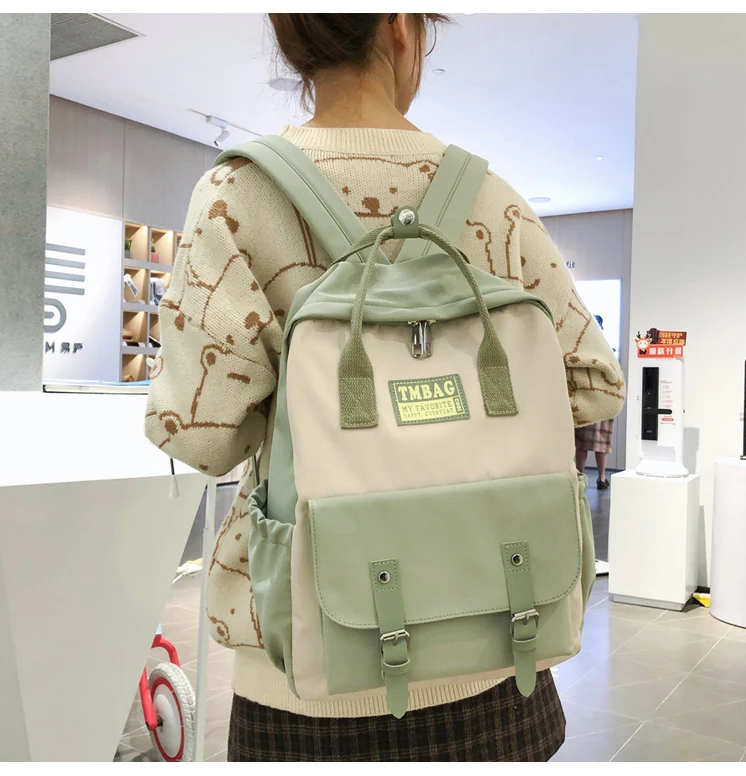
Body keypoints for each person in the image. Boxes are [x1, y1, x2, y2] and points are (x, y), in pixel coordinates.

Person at [145, 13, 625, 762]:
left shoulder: (234, 194)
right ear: (402, 27)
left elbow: (199, 437)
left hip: (305, 675)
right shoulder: (489, 197)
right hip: (501, 646)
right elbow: (593, 385)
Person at [574, 315, 617, 490]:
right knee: (601, 442)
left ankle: (580, 476)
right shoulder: (607, 351)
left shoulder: (582, 348)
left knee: (582, 443)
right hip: (602, 399)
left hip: (587, 399)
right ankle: (601, 478)